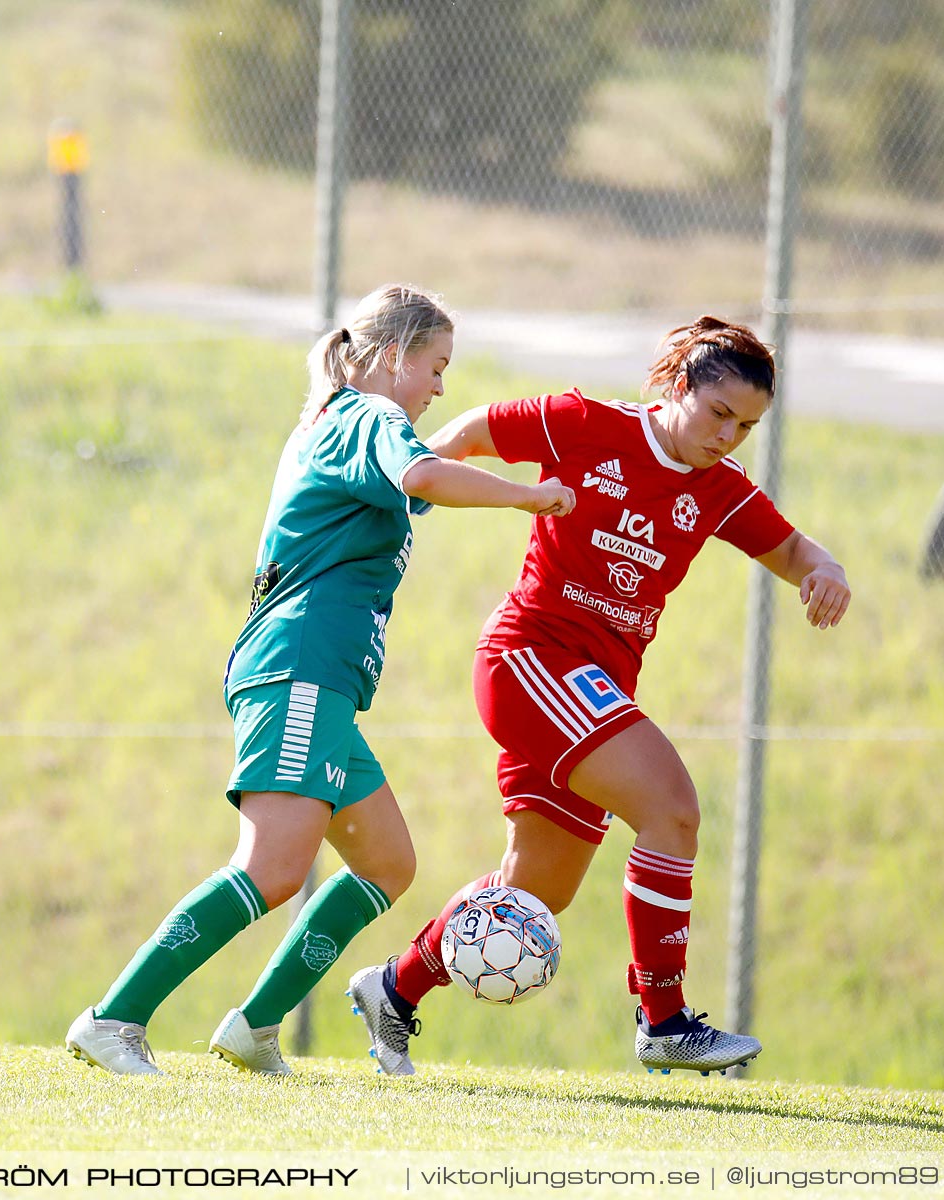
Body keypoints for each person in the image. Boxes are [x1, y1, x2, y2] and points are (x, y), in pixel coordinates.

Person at [65, 283, 577, 1076]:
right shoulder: (371, 418)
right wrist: (529, 497)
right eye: (436, 366)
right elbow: (425, 477)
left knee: (386, 865)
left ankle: (254, 1028)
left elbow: (432, 469)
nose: (442, 386)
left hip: (321, 680)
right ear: (392, 355)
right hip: (298, 666)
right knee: (271, 868)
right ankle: (114, 1019)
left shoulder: (348, 422)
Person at [346, 315, 851, 1077]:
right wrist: (403, 486)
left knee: (537, 891)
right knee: (672, 807)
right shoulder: (586, 424)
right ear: (679, 387)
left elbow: (790, 548)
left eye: (747, 425)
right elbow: (472, 430)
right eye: (718, 413)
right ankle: (664, 1020)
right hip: (530, 660)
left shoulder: (717, 490)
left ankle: (394, 988)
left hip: (589, 688)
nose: (729, 436)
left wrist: (825, 570)